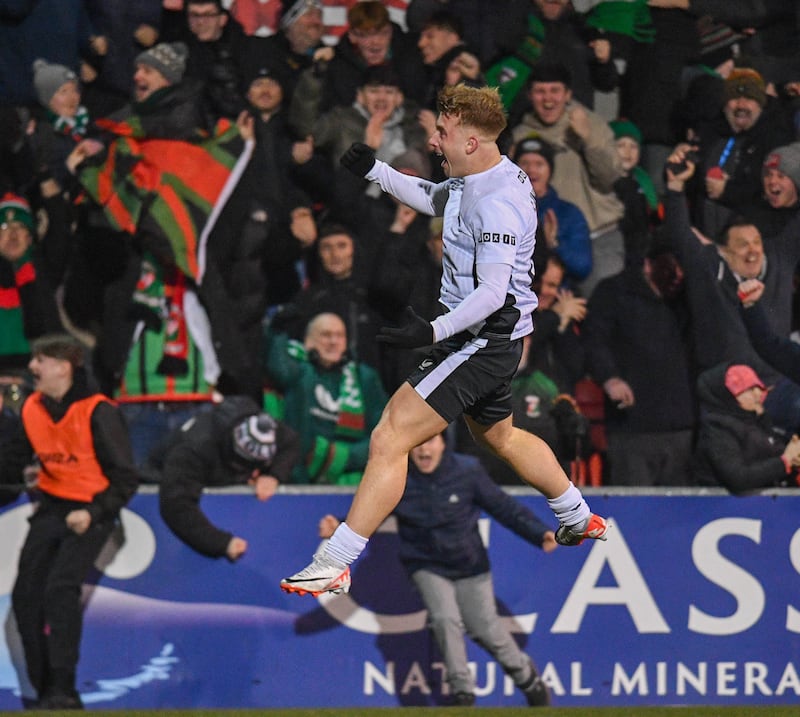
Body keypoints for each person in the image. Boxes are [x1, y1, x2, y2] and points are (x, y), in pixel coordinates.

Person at [280, 83, 608, 599]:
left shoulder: (498, 203)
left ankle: (335, 560)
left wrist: (431, 330)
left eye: (443, 132)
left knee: (390, 436)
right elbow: (437, 198)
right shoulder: (478, 177)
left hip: (480, 340)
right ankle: (577, 513)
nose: (434, 140)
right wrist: (376, 171)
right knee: (497, 437)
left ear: (472, 141)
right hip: (493, 340)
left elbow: (493, 293)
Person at [318, 433, 553, 707]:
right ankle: (462, 693)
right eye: (418, 443)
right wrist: (340, 526)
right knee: (444, 619)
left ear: (443, 443)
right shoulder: (399, 477)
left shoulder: (467, 471)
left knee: (486, 630)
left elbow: (504, 507)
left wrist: (539, 533)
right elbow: (373, 510)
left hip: (470, 564)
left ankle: (527, 679)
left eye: (430, 442)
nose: (424, 449)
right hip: (425, 564)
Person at [6, 333, 139, 709]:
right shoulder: (32, 407)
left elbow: (126, 478)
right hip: (51, 508)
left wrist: (94, 512)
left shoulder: (98, 410)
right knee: (25, 597)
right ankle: (43, 690)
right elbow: (13, 459)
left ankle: (63, 690)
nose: (32, 367)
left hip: (93, 510)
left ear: (64, 367)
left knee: (60, 590)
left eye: (40, 360)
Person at [582, 240, 696, 486]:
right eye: (670, 268)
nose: (677, 275)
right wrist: (609, 377)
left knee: (678, 514)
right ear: (647, 265)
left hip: (680, 428)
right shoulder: (613, 292)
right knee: (636, 513)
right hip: (632, 429)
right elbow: (594, 342)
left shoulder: (686, 298)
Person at [511, 61, 625, 299]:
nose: (548, 99)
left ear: (568, 94)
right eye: (540, 91)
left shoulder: (589, 122)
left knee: (604, 304)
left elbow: (610, 177)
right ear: (530, 95)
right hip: (548, 246)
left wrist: (588, 139)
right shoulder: (521, 136)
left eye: (555, 91)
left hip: (598, 234)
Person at [154, 395, 299, 561]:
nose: (253, 475)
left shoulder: (262, 425)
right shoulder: (195, 449)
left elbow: (290, 442)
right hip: (161, 476)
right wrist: (220, 543)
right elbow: (175, 505)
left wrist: (273, 474)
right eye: (246, 468)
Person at [262, 312, 387, 485]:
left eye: (339, 335)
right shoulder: (298, 370)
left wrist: (341, 457)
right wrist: (277, 335)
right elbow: (279, 370)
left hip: (350, 479)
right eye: (325, 335)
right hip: (296, 477)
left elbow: (383, 435)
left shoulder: (364, 377)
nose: (333, 341)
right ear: (308, 341)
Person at [693, 362, 800, 493]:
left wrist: (794, 458)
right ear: (728, 395)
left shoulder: (756, 419)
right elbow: (739, 478)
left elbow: (773, 454)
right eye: (748, 389)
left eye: (758, 387)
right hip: (725, 508)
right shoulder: (717, 429)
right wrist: (784, 462)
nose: (758, 393)